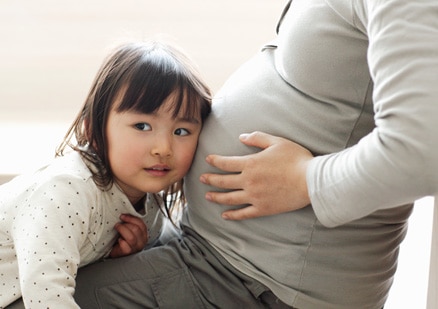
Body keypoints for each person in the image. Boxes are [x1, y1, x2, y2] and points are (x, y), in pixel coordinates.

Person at [73, 0, 438, 308]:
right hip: (219, 255)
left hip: (256, 282)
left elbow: (423, 152)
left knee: (28, 297)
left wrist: (305, 180)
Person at [0, 40, 211, 308]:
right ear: (93, 131)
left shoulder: (152, 203)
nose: (163, 148)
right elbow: (46, 295)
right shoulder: (65, 192)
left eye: (181, 131)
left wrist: (119, 256)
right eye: (142, 126)